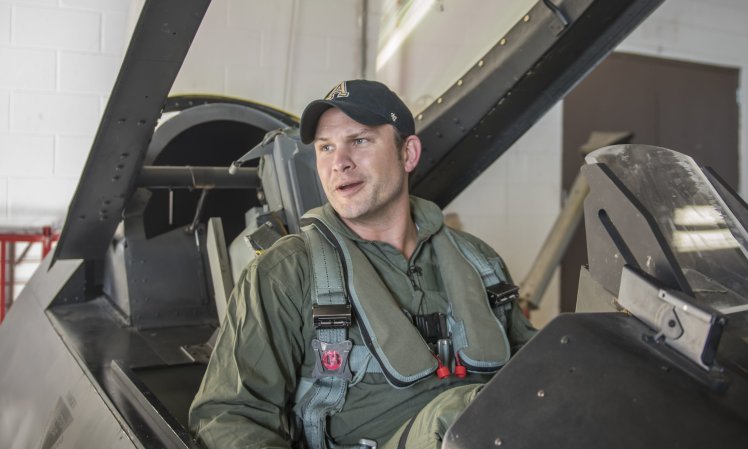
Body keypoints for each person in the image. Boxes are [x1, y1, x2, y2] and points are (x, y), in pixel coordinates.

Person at [189, 80, 536, 449]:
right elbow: (227, 416)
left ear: (408, 154)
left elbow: (542, 375)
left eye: (360, 140)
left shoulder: (479, 261)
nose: (339, 163)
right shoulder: (286, 273)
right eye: (326, 147)